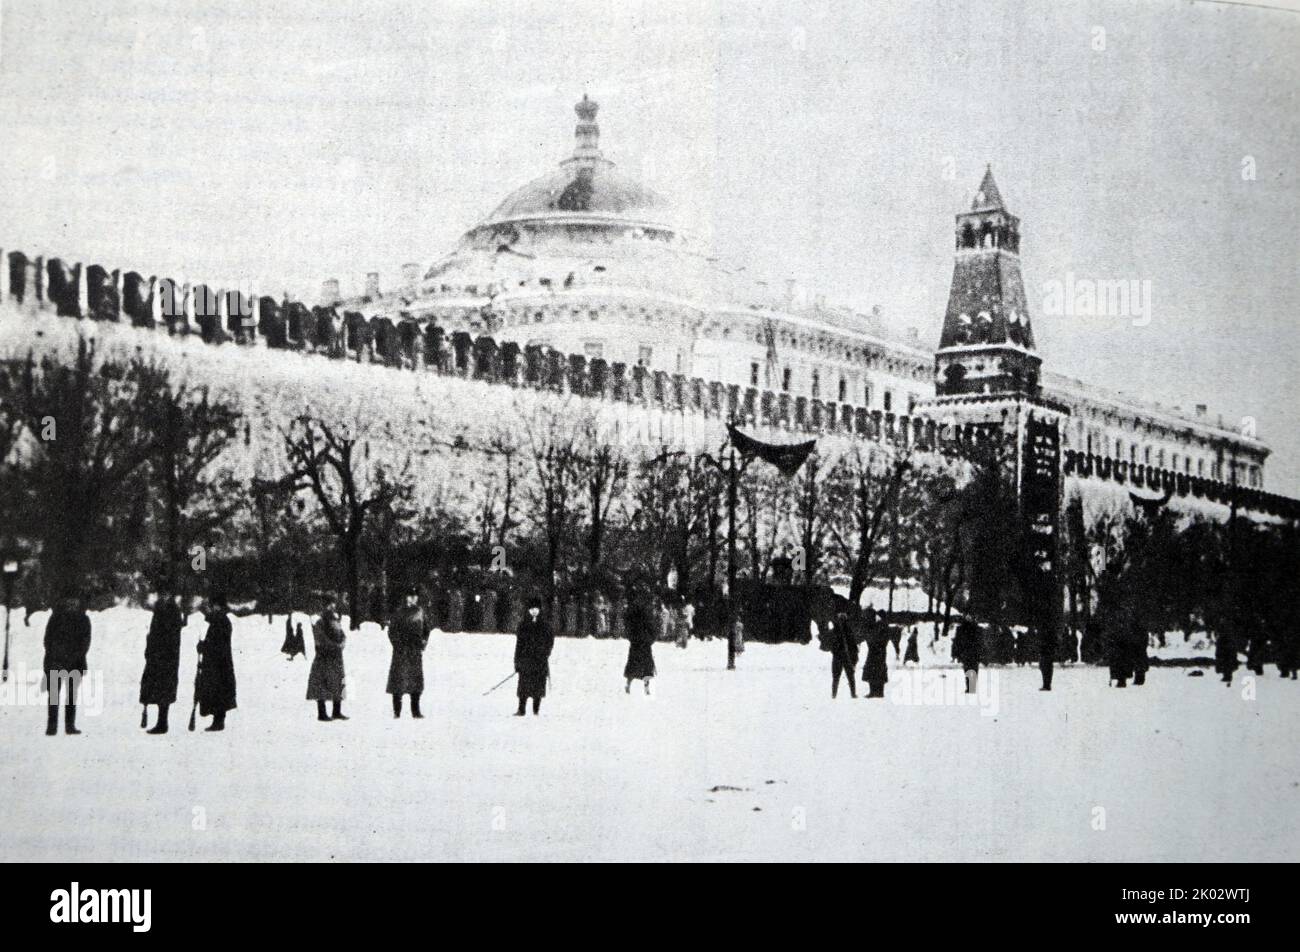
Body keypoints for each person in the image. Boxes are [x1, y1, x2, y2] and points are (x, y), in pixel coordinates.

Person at [42, 594, 91, 736]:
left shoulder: (83, 620)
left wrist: (72, 658)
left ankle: (70, 726)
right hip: (56, 662)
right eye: (69, 600)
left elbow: (85, 643)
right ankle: (52, 727)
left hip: (75, 663)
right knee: (53, 696)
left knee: (71, 696)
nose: (72, 603)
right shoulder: (55, 618)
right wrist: (58, 657)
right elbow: (47, 641)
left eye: (74, 600)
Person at [140, 593, 184, 733]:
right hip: (156, 656)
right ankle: (160, 722)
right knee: (157, 689)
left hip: (167, 657)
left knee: (164, 690)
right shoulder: (159, 610)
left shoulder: (173, 611)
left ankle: (163, 723)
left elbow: (172, 635)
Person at [194, 593, 236, 731]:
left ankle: (219, 721)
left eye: (214, 605)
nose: (212, 608)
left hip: (219, 664)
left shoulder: (221, 621)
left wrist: (204, 646)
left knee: (219, 692)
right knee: (217, 692)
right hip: (217, 663)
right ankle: (217, 720)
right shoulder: (219, 620)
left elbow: (217, 644)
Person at [387, 587, 429, 718]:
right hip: (401, 651)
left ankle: (415, 710)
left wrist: (423, 642)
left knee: (415, 683)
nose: (413, 599)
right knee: (398, 682)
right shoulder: (399, 612)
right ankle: (397, 711)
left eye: (415, 596)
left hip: (415, 651)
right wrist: (397, 644)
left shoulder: (420, 612)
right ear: (406, 597)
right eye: (410, 596)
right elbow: (392, 631)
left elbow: (426, 629)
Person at [307, 597, 347, 721]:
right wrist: (335, 646)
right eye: (329, 605)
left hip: (336, 657)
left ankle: (337, 711)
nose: (332, 607)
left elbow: (342, 634)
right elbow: (320, 639)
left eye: (333, 604)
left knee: (337, 683)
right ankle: (322, 713)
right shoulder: (320, 622)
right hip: (324, 657)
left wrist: (343, 642)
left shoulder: (335, 620)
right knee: (322, 686)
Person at [514, 596, 554, 715]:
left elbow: (550, 641)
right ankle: (521, 709)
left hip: (540, 660)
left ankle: (536, 709)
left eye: (536, 608)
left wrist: (546, 652)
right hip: (525, 660)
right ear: (528, 610)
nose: (534, 611)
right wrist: (517, 661)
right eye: (532, 609)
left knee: (538, 685)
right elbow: (519, 644)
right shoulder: (523, 625)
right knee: (524, 686)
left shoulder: (545, 625)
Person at [624, 596, 657, 694]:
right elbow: (652, 628)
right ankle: (646, 688)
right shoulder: (647, 615)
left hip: (636, 643)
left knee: (633, 665)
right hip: (645, 643)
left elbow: (628, 629)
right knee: (646, 667)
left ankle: (628, 684)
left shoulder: (633, 616)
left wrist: (631, 639)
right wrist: (651, 639)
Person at [829, 609, 859, 699]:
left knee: (836, 677)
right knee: (850, 676)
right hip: (846, 655)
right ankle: (853, 694)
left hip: (838, 656)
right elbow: (853, 645)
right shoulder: (848, 630)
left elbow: (831, 644)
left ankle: (834, 694)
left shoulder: (835, 630)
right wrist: (854, 657)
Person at [861, 611, 890, 698]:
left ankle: (875, 692)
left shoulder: (881, 626)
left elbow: (874, 637)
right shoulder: (883, 625)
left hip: (876, 651)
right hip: (878, 652)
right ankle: (877, 692)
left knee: (874, 671)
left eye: (878, 616)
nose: (876, 618)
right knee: (877, 671)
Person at [952, 618, 981, 695]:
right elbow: (957, 642)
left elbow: (956, 642)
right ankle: (970, 687)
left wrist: (955, 654)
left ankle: (970, 687)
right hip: (971, 653)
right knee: (971, 670)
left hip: (968, 653)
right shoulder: (975, 628)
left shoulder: (962, 629)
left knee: (969, 669)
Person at [1129, 619, 1150, 687]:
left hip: (1138, 645)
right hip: (1140, 645)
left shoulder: (1137, 627)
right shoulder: (1141, 626)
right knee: (1139, 660)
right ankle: (1139, 678)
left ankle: (1139, 679)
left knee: (1139, 661)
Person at [1038, 624, 1058, 691]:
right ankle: (1046, 685)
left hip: (1046, 653)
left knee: (1045, 669)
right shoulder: (1051, 633)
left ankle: (1046, 685)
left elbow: (1044, 643)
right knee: (1046, 669)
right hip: (1048, 653)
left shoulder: (1046, 634)